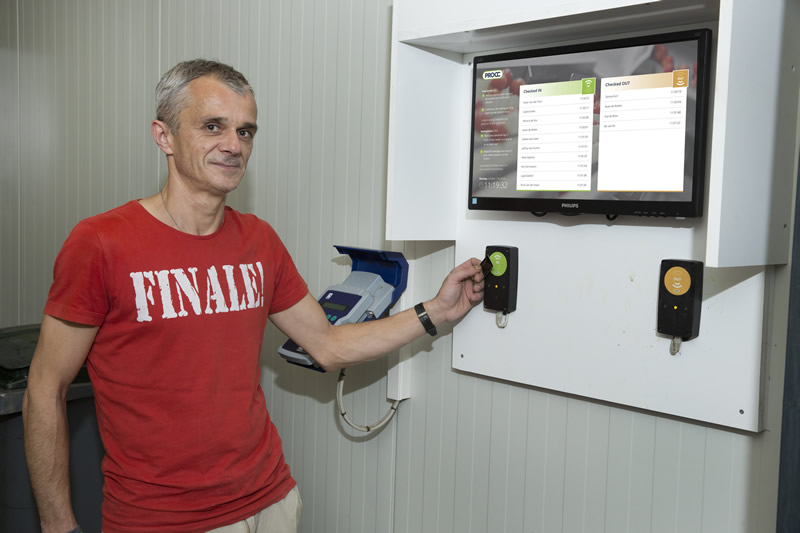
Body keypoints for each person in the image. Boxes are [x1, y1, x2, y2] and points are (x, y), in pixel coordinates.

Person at [22, 59, 485, 533]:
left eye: (246, 132)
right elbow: (44, 389)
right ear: (164, 136)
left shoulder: (258, 240)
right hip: (162, 519)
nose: (233, 145)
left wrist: (436, 310)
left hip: (271, 501)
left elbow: (328, 345)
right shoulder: (102, 243)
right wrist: (58, 526)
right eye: (212, 126)